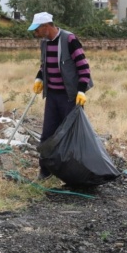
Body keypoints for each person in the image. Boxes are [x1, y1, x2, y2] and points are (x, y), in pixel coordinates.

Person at [29, 12, 93, 180]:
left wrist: (81, 91)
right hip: (52, 97)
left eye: (36, 29)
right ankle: (45, 172)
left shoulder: (69, 39)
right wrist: (39, 78)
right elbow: (44, 66)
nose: (35, 34)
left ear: (46, 26)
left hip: (70, 97)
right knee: (47, 135)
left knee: (71, 136)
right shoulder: (44, 43)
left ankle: (74, 174)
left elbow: (84, 68)